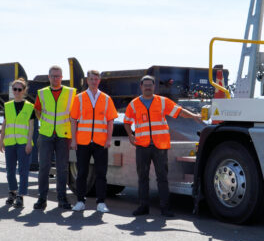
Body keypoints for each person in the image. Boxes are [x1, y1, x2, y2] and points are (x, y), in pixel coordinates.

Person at [123, 75, 202, 217]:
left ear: (154, 87)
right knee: (143, 177)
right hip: (142, 146)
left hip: (160, 146)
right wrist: (130, 135)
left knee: (162, 178)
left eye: (150, 85)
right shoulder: (134, 104)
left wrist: (193, 115)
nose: (148, 87)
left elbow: (179, 111)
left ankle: (165, 208)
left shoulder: (162, 102)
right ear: (141, 87)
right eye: (145, 85)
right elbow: (127, 121)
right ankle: (143, 207)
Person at [69, 70, 118, 213]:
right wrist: (73, 140)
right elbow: (73, 120)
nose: (94, 81)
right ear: (87, 80)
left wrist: (109, 139)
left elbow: (110, 121)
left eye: (96, 79)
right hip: (83, 141)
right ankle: (80, 201)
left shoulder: (106, 98)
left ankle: (101, 202)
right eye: (91, 79)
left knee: (101, 173)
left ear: (99, 80)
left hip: (100, 142)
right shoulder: (79, 98)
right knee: (82, 173)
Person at [33, 65, 76, 210]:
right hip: (46, 134)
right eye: (53, 76)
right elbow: (37, 110)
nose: (55, 78)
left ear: (62, 77)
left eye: (58, 76)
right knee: (44, 168)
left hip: (63, 135)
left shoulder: (71, 93)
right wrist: (46, 124)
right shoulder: (42, 93)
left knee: (62, 168)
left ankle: (62, 198)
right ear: (48, 77)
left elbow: (75, 114)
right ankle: (42, 199)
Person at [0, 78, 35, 208]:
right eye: (15, 89)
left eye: (20, 89)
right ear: (12, 91)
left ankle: (21, 195)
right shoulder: (7, 106)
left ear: (24, 91)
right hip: (10, 143)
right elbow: (5, 124)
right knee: (10, 170)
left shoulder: (30, 107)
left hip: (23, 143)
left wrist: (29, 142)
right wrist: (1, 141)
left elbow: (31, 127)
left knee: (23, 171)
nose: (17, 91)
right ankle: (12, 192)